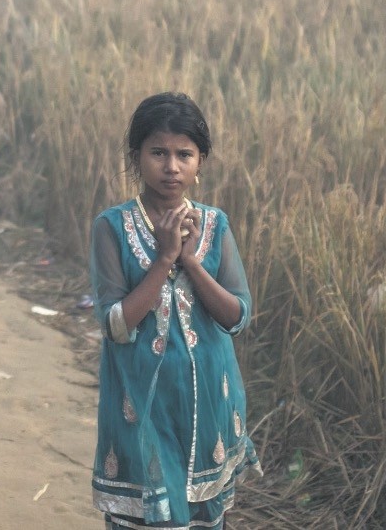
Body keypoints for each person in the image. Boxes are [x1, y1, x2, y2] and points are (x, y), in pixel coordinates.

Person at [89, 92, 259, 528]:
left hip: (207, 408)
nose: (171, 166)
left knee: (204, 517)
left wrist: (190, 261)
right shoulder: (111, 227)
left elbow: (237, 316)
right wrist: (164, 258)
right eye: (158, 153)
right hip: (142, 405)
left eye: (185, 154)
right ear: (136, 157)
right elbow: (116, 325)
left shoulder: (215, 225)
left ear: (200, 162)